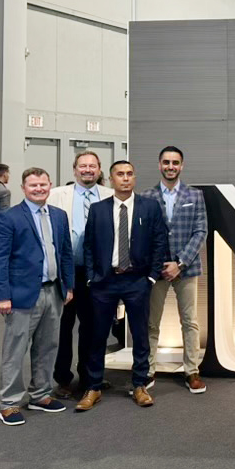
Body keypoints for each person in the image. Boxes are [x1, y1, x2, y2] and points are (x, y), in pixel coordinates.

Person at [76, 160, 169, 411]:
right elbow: (88, 245)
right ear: (111, 179)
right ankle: (93, 386)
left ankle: (139, 385)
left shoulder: (149, 207)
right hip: (104, 282)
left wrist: (151, 277)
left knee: (140, 335)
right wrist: (91, 277)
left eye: (129, 174)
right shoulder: (98, 209)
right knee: (97, 336)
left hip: (137, 280)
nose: (125, 178)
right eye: (120, 174)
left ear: (134, 178)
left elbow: (160, 242)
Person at [0, 168, 75, 426]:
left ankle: (40, 394)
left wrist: (68, 286)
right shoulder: (9, 217)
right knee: (15, 350)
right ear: (23, 188)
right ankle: (9, 403)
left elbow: (65, 253)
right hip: (21, 295)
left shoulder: (59, 216)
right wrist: (2, 296)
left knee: (48, 347)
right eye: (33, 185)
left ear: (50, 185)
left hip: (54, 291)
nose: (39, 189)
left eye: (43, 184)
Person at [140, 146, 208, 394]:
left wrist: (179, 263)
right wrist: (159, 263)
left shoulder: (195, 195)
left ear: (182, 165)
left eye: (175, 162)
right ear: (159, 165)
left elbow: (201, 231)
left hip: (186, 269)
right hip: (156, 270)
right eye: (166, 162)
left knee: (190, 322)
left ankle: (192, 371)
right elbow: (143, 234)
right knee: (151, 323)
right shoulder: (146, 196)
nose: (171, 166)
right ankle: (148, 370)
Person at [47, 151, 113, 397]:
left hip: (97, 273)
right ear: (74, 169)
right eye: (83, 166)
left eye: (92, 166)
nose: (87, 170)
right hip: (66, 272)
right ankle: (63, 379)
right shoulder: (56, 195)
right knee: (63, 327)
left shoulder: (110, 195)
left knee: (94, 327)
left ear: (99, 169)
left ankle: (89, 376)